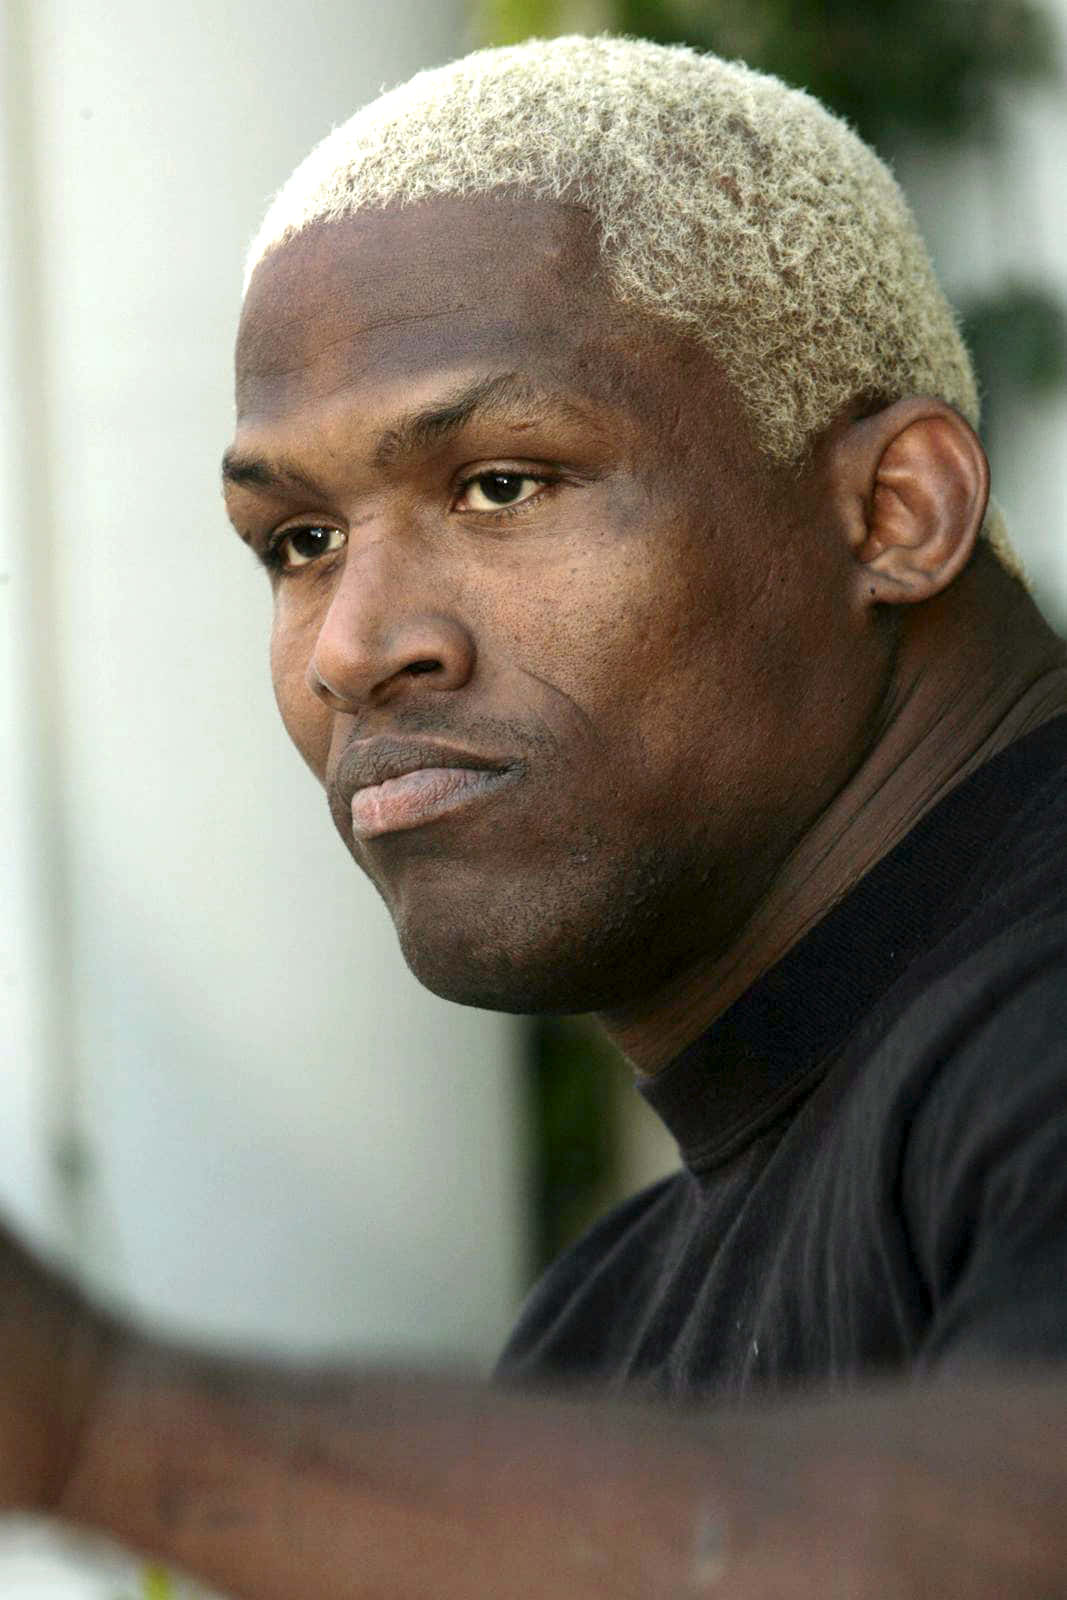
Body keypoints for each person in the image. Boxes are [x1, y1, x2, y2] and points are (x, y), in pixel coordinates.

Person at [4, 33, 1067, 1597]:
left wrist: (107, 1432)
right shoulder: (606, 1329)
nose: (356, 646)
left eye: (503, 484)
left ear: (895, 511)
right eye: (298, 541)